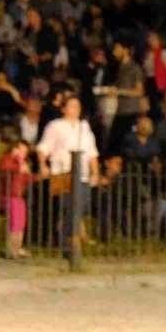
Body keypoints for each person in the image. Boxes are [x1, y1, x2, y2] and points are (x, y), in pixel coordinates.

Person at [34, 94, 101, 256]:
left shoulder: (84, 127)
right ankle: (68, 244)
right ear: (64, 109)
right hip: (62, 172)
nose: (76, 109)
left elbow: (91, 151)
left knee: (82, 206)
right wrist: (43, 164)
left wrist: (95, 172)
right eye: (72, 106)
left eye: (78, 106)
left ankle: (68, 238)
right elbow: (44, 147)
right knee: (69, 207)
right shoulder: (55, 126)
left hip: (82, 173)